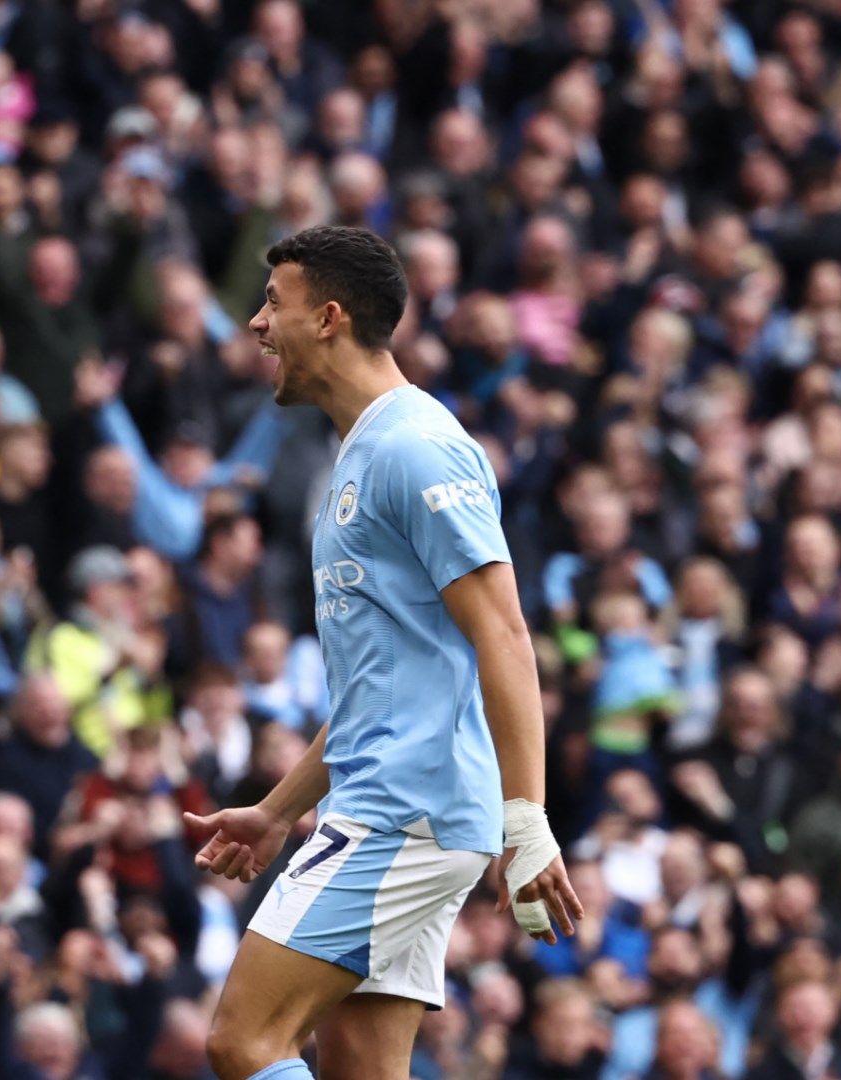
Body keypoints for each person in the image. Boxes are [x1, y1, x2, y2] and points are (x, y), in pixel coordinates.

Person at [182, 225, 582, 1080]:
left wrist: (529, 817)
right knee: (360, 1069)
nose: (256, 325)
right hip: (401, 799)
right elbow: (384, 687)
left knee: (243, 1042)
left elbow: (504, 633)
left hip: (407, 810)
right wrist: (278, 810)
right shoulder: (357, 451)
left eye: (272, 305)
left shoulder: (414, 446)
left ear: (327, 318)